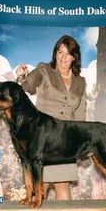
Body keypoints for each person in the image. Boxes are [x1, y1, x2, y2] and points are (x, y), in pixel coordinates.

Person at [16, 35, 86, 200]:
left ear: (74, 57)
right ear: (55, 53)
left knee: (62, 184)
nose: (63, 57)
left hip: (65, 140)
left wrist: (79, 140)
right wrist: (22, 75)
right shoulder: (44, 70)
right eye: (59, 52)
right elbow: (28, 84)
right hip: (42, 139)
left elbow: (80, 113)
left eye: (67, 53)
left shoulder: (80, 81)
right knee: (41, 186)